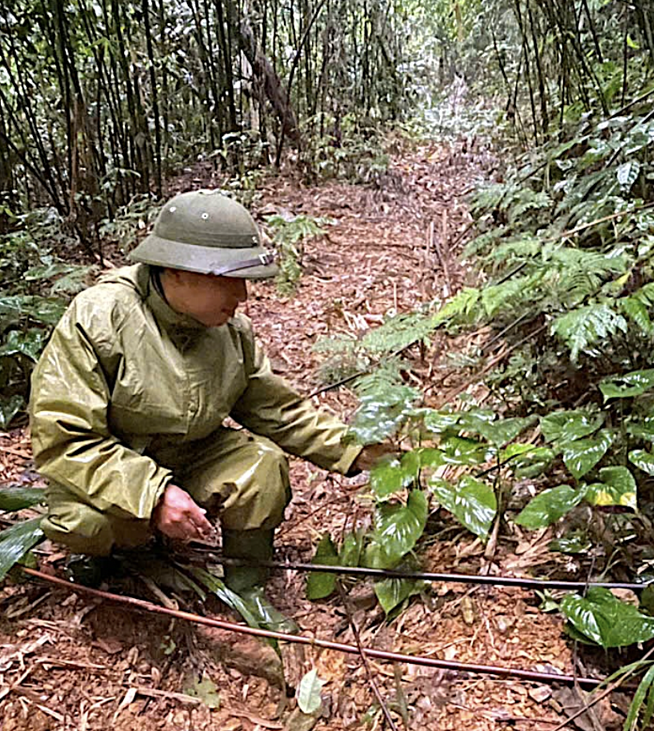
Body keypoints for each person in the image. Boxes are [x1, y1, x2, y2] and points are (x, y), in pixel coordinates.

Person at [29, 189, 388, 617]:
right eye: (228, 279)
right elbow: (65, 440)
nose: (242, 296)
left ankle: (246, 584)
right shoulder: (100, 318)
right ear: (177, 271)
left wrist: (356, 449)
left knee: (262, 465)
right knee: (86, 525)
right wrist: (154, 494)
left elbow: (277, 410)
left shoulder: (230, 330)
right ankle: (108, 556)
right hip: (113, 469)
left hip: (193, 455)